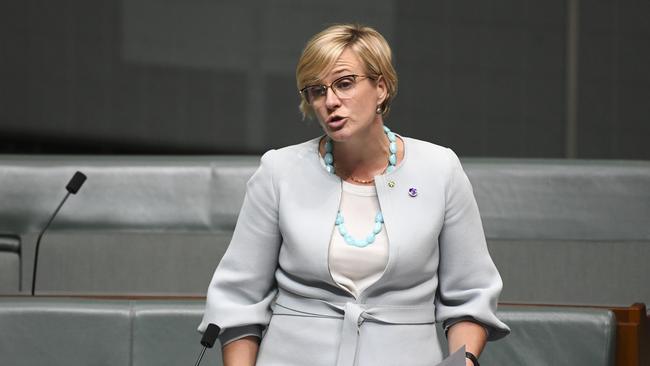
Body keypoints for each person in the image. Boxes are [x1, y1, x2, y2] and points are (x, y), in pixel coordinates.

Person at [199, 23, 509, 366]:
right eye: (316, 91)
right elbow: (239, 300)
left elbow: (471, 295)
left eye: (344, 83)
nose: (330, 101)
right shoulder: (279, 171)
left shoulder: (440, 169)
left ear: (381, 87)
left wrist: (462, 363)